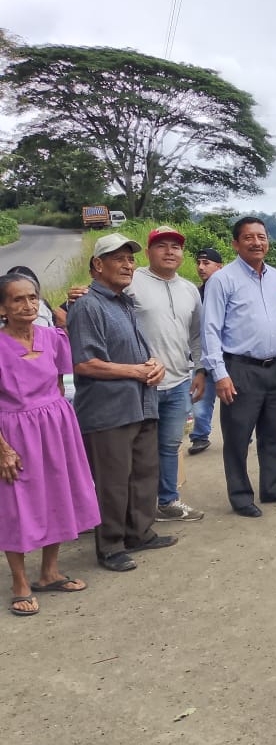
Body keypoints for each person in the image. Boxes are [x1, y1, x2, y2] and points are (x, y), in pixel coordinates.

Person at [67, 233, 178, 572]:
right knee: (113, 483)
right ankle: (111, 546)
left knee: (143, 474)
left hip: (140, 404)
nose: (128, 265)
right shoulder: (87, 306)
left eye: (130, 259)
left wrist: (155, 364)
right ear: (98, 265)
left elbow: (136, 351)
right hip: (108, 410)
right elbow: (85, 363)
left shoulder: (124, 302)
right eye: (119, 259)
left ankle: (139, 533)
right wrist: (136, 371)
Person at [0, 274, 100, 615]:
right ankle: (20, 582)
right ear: (2, 308)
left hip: (55, 425)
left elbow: (58, 385)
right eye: (17, 299)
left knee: (57, 494)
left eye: (32, 297)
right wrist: (3, 449)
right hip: (13, 432)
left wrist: (58, 427)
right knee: (16, 504)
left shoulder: (53, 337)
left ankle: (50, 572)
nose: (27, 305)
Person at [201, 217, 276, 518]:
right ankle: (240, 495)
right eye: (248, 237)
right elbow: (210, 329)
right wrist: (219, 374)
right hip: (239, 368)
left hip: (273, 367)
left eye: (261, 236)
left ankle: (274, 487)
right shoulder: (222, 280)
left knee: (275, 432)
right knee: (237, 436)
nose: (256, 242)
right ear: (236, 244)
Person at [125, 226, 205, 523]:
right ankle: (134, 507)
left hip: (179, 380)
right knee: (137, 449)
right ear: (148, 252)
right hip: (141, 383)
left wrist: (200, 369)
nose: (170, 251)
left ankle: (167, 501)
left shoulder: (189, 290)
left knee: (170, 446)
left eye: (175, 246)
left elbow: (196, 335)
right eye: (162, 246)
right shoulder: (132, 282)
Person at [188, 247, 223, 455]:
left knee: (234, 399)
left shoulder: (229, 292)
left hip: (227, 357)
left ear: (220, 267)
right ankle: (200, 436)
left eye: (206, 263)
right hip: (202, 357)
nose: (201, 267)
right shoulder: (195, 294)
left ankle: (242, 434)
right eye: (199, 263)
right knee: (200, 398)